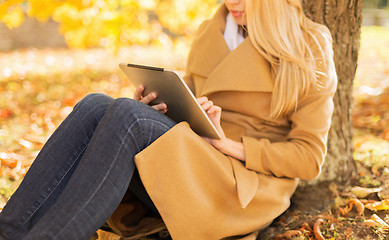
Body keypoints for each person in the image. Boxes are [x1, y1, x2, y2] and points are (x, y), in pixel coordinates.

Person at [0, 0, 337, 239]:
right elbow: (189, 104)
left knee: (128, 118)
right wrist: (155, 107)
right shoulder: (212, 31)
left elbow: (308, 158)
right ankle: (8, 231)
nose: (232, 3)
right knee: (96, 106)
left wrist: (229, 145)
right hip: (198, 156)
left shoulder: (309, 43)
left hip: (242, 185)